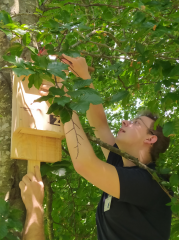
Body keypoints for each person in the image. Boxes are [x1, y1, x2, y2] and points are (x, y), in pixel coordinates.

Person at [20, 54, 172, 240]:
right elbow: (100, 124)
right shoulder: (120, 162)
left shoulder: (151, 182)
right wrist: (84, 76)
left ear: (151, 139)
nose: (125, 122)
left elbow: (85, 164)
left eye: (136, 123)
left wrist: (64, 103)